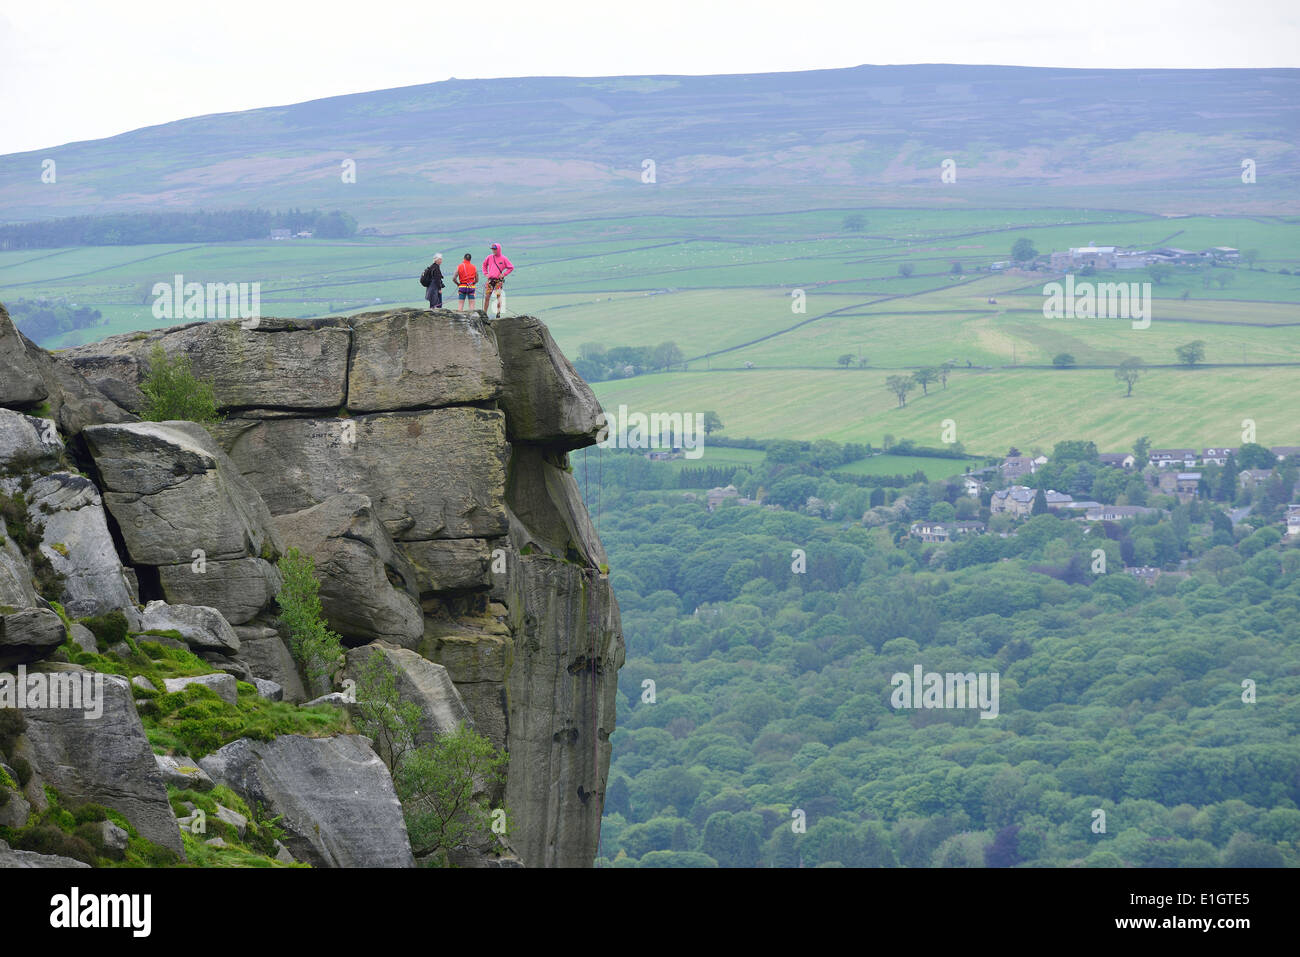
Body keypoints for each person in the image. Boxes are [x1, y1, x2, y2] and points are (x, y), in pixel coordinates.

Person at [481, 242, 514, 319]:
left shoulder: (504, 258)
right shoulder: (489, 257)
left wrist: (504, 274)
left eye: (495, 249)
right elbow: (484, 265)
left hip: (498, 281)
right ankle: (485, 313)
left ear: (498, 249)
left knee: (498, 297)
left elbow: (511, 267)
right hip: (490, 280)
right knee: (487, 297)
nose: (493, 251)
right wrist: (486, 273)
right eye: (492, 249)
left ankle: (498, 313)